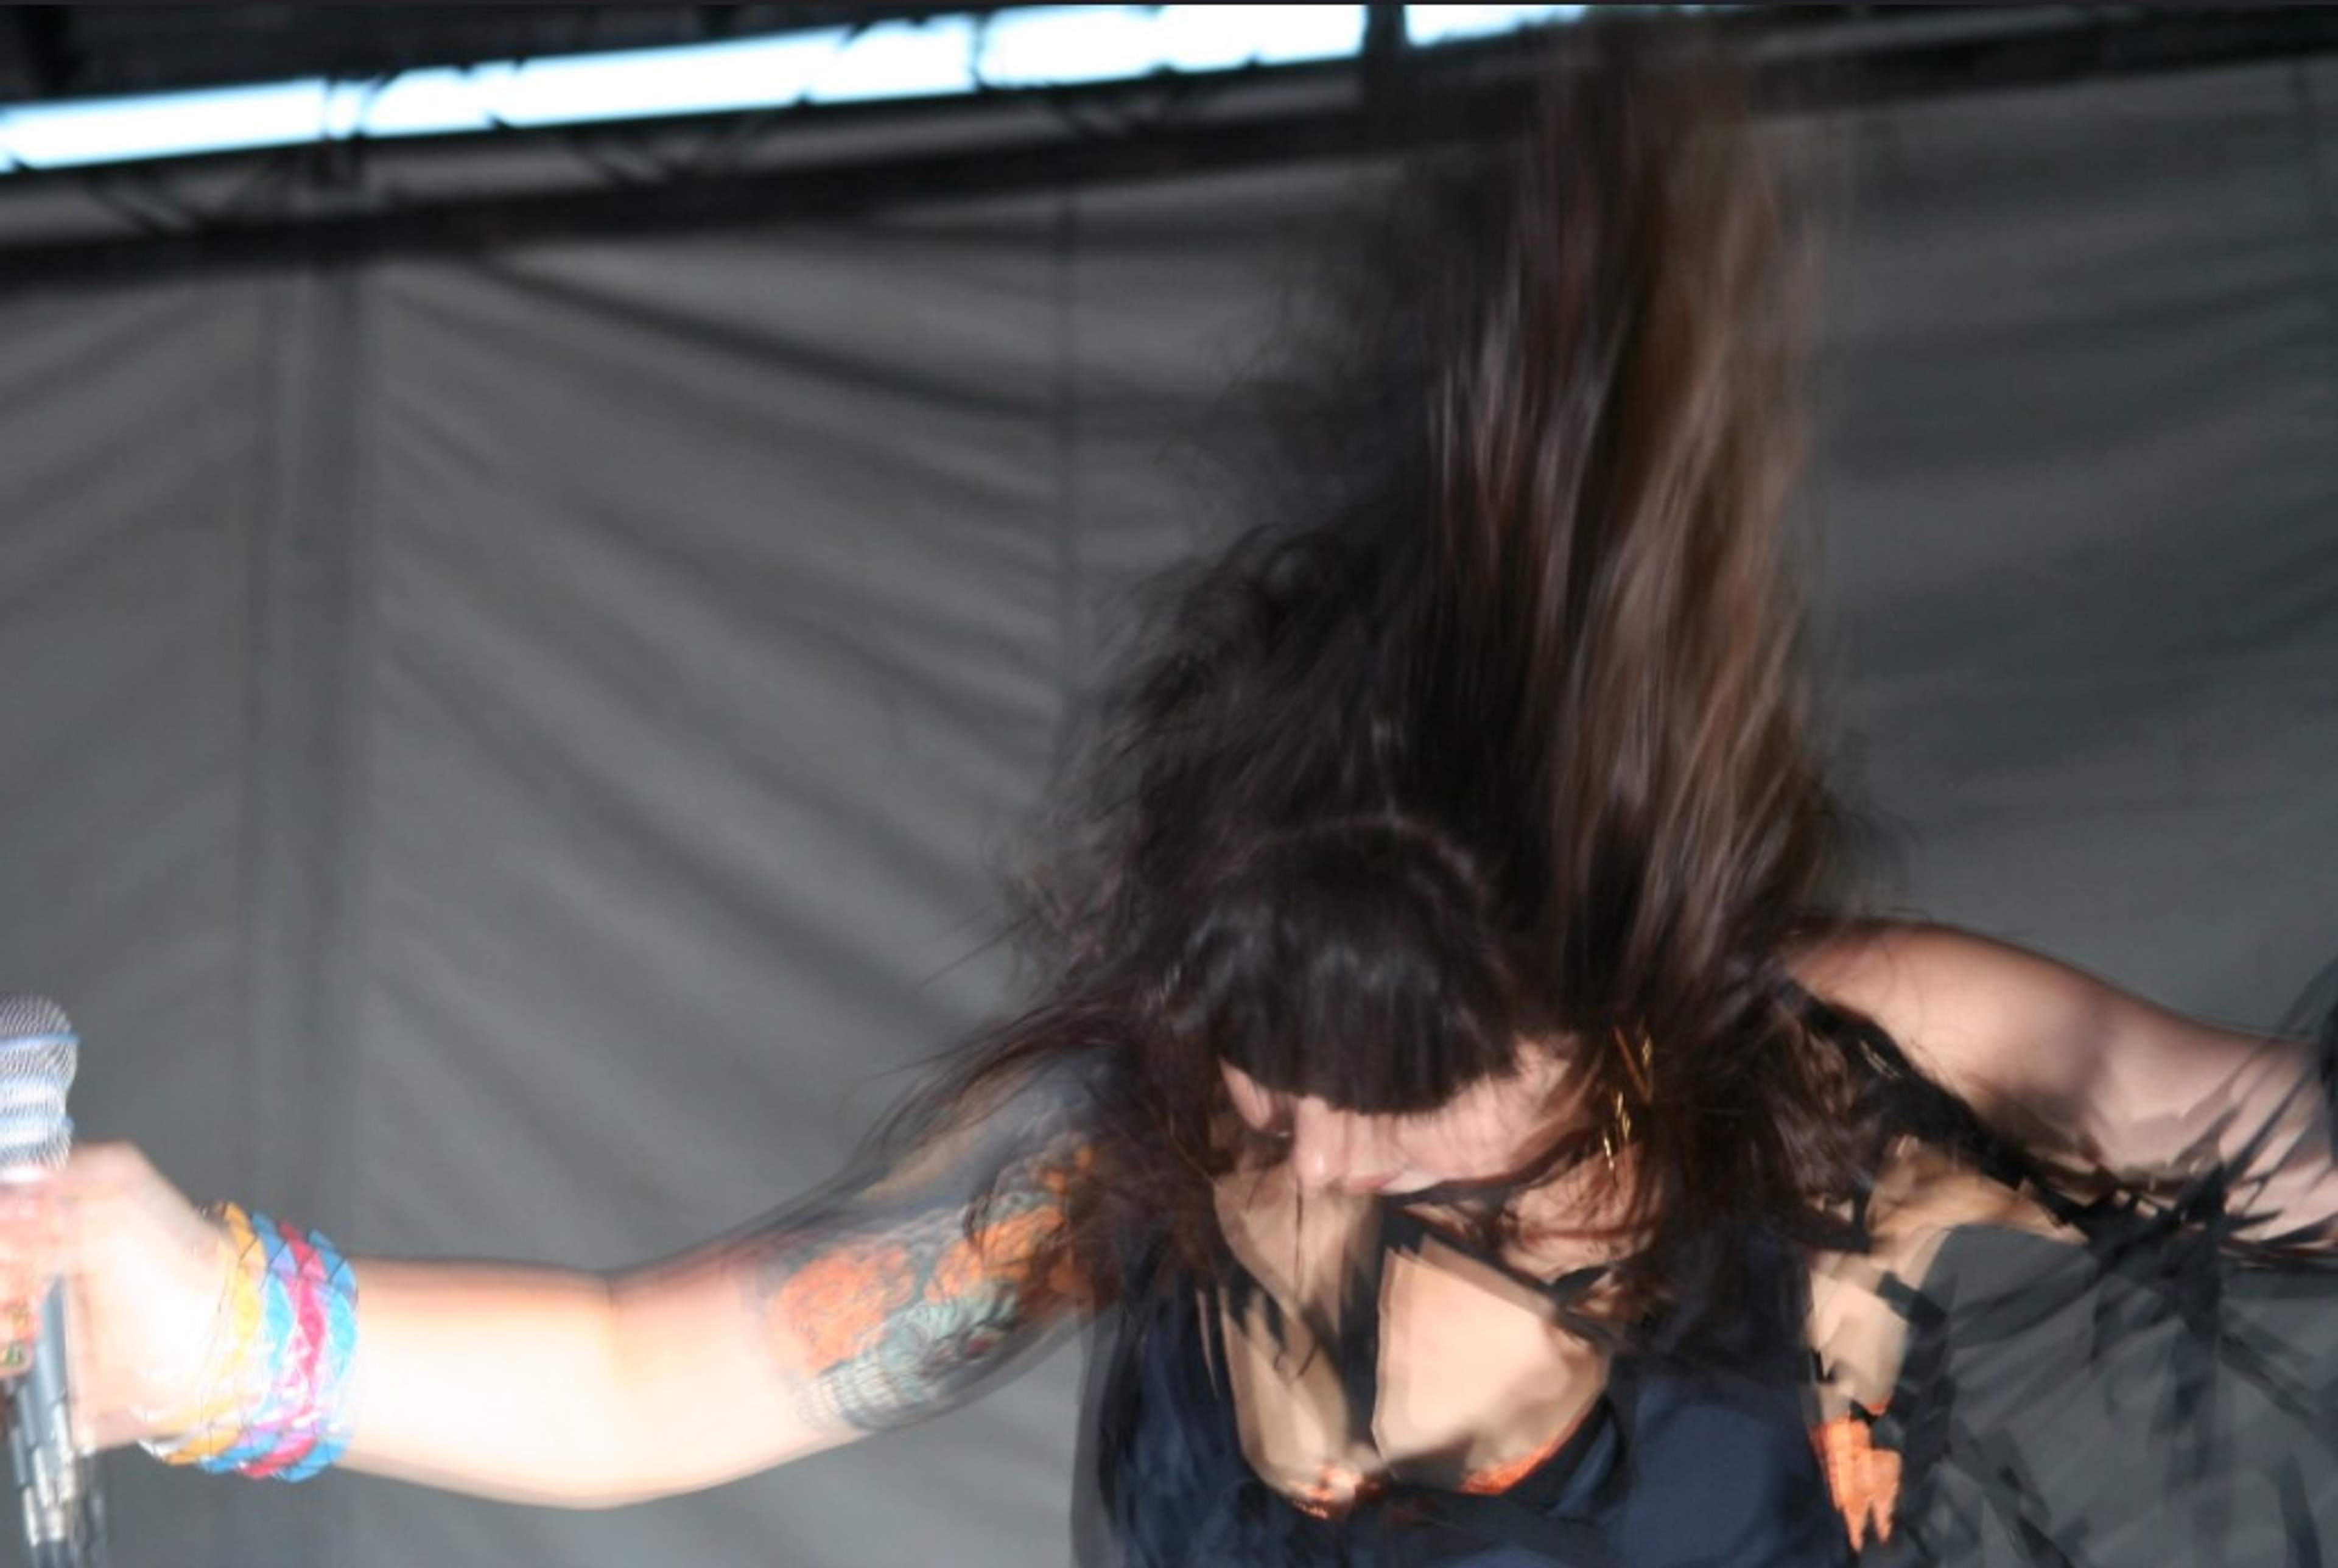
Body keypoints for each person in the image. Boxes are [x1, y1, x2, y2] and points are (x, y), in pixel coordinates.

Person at [9, 26, 2337, 1566]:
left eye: (1424, 1099)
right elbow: (658, 1376)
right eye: (1272, 1073)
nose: (1315, 1158)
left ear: (1606, 985)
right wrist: (204, 1332)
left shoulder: (1834, 1093)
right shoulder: (1151, 1159)